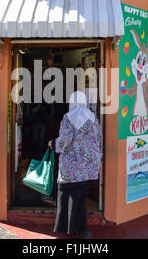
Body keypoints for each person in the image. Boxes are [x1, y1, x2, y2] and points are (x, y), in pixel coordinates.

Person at [48, 91, 103, 239]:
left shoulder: (68, 118)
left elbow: (65, 140)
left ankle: (70, 228)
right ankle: (80, 228)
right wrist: (99, 160)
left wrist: (53, 143)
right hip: (88, 167)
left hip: (70, 168)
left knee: (68, 196)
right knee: (80, 199)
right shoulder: (92, 118)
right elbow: (99, 140)